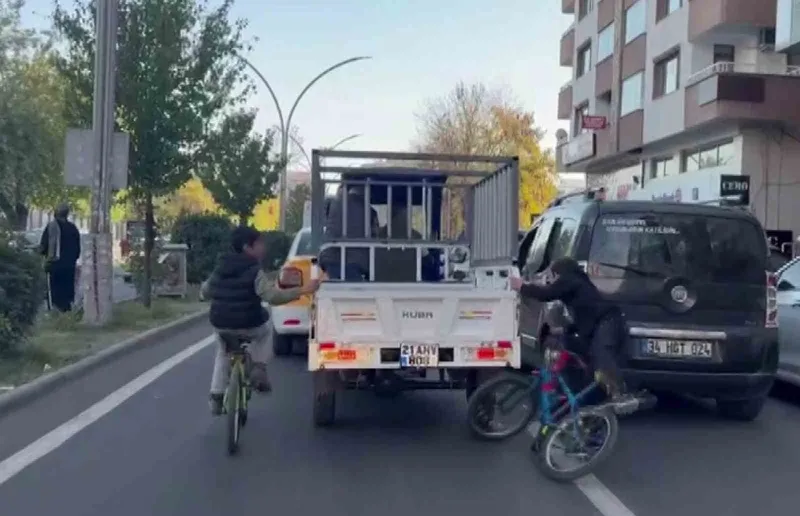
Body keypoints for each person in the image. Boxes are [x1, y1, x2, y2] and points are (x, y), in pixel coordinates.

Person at [201, 226, 320, 415]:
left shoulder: (220, 267)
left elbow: (205, 291)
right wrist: (303, 290)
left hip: (221, 323)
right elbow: (272, 296)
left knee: (223, 352)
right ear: (248, 247)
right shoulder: (254, 270)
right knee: (265, 331)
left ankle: (216, 396)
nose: (263, 248)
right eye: (260, 244)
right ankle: (259, 367)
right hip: (250, 323)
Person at [508, 257, 635, 407]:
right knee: (578, 354)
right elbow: (585, 317)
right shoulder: (578, 285)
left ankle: (621, 393)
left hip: (608, 322)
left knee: (601, 353)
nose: (551, 281)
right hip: (599, 323)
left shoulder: (570, 280)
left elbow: (546, 294)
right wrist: (561, 330)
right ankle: (587, 397)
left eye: (552, 276)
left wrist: (522, 286)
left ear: (558, 274)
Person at [39, 203, 82, 312]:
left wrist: (43, 256)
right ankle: (67, 310)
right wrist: (73, 259)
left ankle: (56, 311)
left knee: (56, 290)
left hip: (55, 264)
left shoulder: (51, 226)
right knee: (68, 289)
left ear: (56, 213)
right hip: (69, 265)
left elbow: (44, 245)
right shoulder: (73, 228)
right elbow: (77, 248)